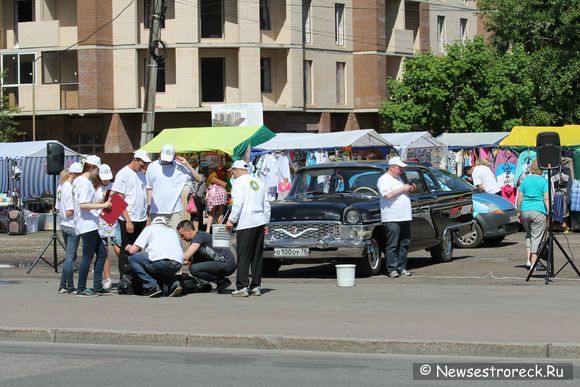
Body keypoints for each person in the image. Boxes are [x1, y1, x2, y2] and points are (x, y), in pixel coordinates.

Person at [225, 160, 271, 297]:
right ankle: (256, 286)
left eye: (233, 171)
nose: (232, 174)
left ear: (238, 170)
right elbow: (266, 204)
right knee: (257, 255)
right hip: (259, 222)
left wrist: (231, 220)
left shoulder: (238, 182)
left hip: (246, 222)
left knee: (243, 255)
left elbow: (238, 203)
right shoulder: (258, 182)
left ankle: (242, 286)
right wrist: (266, 223)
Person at [72, 155, 112, 297]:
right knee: (87, 257)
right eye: (97, 170)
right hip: (87, 224)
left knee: (101, 254)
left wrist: (105, 198)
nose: (98, 173)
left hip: (90, 224)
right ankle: (81, 288)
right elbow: (83, 205)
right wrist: (103, 204)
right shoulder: (84, 182)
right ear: (92, 167)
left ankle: (97, 286)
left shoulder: (81, 181)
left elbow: (92, 201)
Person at [111, 151, 151, 276]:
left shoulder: (141, 174)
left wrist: (147, 217)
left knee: (138, 248)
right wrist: (127, 219)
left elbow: (144, 196)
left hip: (141, 217)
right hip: (128, 218)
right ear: (135, 160)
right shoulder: (123, 173)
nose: (143, 167)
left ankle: (137, 275)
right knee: (126, 247)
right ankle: (125, 277)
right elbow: (118, 199)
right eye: (142, 164)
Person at [146, 144, 203, 229]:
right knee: (158, 239)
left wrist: (186, 164)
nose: (166, 161)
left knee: (175, 238)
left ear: (174, 156)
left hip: (175, 211)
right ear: (159, 153)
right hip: (156, 211)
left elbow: (199, 179)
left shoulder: (179, 167)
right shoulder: (152, 166)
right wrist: (148, 211)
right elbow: (149, 188)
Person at [125, 216, 184, 298]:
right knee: (161, 265)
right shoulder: (173, 231)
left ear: (153, 223)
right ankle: (174, 284)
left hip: (160, 261)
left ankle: (152, 286)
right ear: (165, 224)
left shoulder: (149, 229)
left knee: (134, 259)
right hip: (177, 263)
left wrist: (127, 247)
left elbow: (132, 250)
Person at [377, 156, 416, 278]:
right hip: (392, 216)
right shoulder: (383, 179)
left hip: (404, 215)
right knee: (393, 244)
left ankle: (402, 267)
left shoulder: (399, 178)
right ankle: (392, 269)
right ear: (392, 167)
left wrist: (410, 189)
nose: (401, 171)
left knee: (404, 243)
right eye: (399, 168)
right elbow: (388, 195)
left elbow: (401, 192)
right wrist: (403, 188)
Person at [177, 220, 236, 293]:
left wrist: (171, 256)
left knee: (193, 269)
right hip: (223, 263)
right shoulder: (197, 238)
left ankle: (221, 281)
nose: (182, 238)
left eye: (182, 235)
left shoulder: (199, 236)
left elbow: (186, 256)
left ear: (189, 231)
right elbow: (187, 260)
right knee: (194, 263)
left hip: (227, 263)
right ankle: (205, 284)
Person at [516, 161, 549, 270]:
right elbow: (546, 199)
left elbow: (519, 198)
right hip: (538, 210)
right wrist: (549, 212)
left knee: (529, 235)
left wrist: (518, 211)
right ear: (541, 169)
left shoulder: (525, 180)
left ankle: (529, 261)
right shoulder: (544, 181)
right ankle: (534, 265)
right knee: (536, 238)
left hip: (525, 210)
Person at [56, 162, 82, 294]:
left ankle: (64, 285)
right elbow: (70, 211)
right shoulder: (68, 188)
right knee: (70, 257)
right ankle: (68, 286)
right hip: (71, 224)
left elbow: (58, 207)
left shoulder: (60, 186)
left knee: (70, 256)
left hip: (64, 224)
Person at [95, 164, 115, 290]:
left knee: (118, 247)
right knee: (103, 251)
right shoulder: (95, 188)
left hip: (114, 219)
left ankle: (125, 275)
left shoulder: (115, 186)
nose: (106, 180)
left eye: (107, 178)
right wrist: (103, 200)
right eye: (103, 178)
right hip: (99, 220)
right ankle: (107, 278)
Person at [205, 167, 228, 233]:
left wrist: (206, 199)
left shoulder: (211, 179)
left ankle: (208, 229)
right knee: (220, 212)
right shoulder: (221, 178)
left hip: (214, 194)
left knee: (211, 213)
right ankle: (219, 228)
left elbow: (208, 191)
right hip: (222, 194)